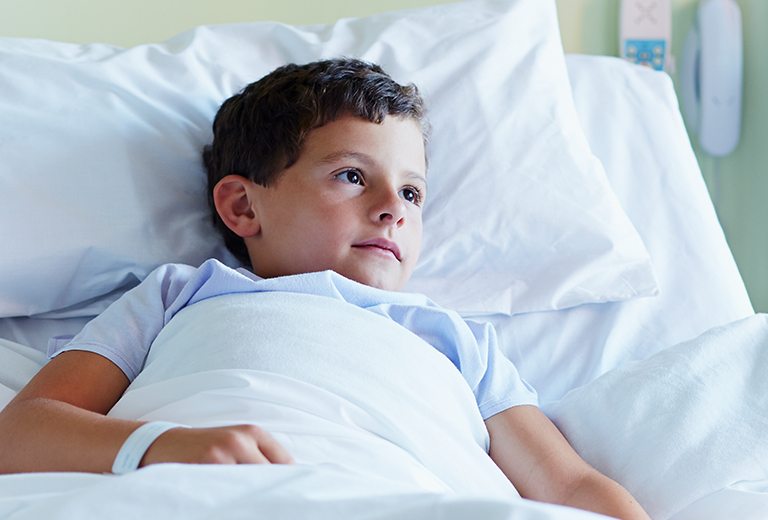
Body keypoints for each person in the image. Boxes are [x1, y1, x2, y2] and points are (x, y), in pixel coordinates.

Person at [0, 58, 649, 519]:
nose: (395, 207)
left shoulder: (452, 340)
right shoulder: (182, 295)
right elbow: (21, 434)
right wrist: (158, 446)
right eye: (350, 176)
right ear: (243, 208)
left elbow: (568, 489)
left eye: (414, 192)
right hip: (198, 490)